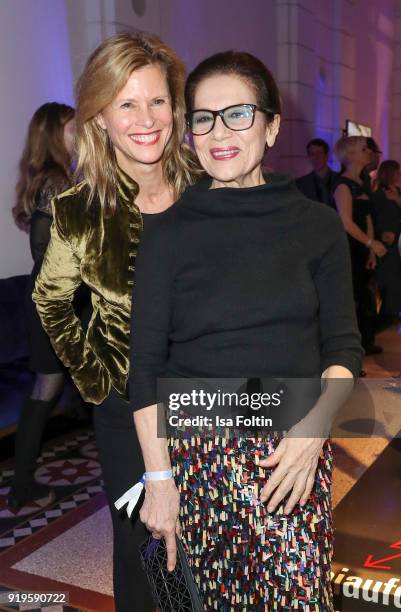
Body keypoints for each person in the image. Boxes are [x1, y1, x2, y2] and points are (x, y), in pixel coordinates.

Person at [128, 51, 363, 611]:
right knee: (208, 600)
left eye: (238, 114)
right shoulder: (167, 233)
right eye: (203, 119)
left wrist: (313, 430)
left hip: (291, 454)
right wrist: (159, 481)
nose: (218, 132)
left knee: (297, 597)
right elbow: (146, 368)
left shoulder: (318, 227)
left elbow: (343, 348)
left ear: (272, 124)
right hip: (197, 458)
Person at [32, 32, 202, 611]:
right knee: (145, 553)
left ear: (175, 110)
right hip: (128, 412)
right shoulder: (79, 210)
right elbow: (50, 301)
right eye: (126, 103)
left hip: (212, 402)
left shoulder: (208, 191)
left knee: (206, 550)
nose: (146, 118)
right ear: (100, 117)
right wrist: (97, 383)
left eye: (157, 101)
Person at [9, 102, 75, 511]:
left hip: (54, 297)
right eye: (71, 128)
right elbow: (42, 248)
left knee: (53, 386)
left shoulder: (53, 178)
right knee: (48, 387)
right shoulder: (56, 181)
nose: (78, 134)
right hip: (56, 301)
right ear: (54, 133)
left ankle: (21, 483)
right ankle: (20, 485)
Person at [333, 136, 387, 356]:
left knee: (364, 297)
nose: (369, 152)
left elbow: (367, 219)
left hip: (361, 248)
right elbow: (345, 222)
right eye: (364, 149)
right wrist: (371, 242)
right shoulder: (343, 185)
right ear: (351, 155)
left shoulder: (360, 183)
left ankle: (365, 344)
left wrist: (371, 248)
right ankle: (349, 354)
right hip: (347, 249)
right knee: (351, 302)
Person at [372, 160, 401, 323]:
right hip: (387, 244)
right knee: (388, 278)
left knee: (396, 278)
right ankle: (387, 315)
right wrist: (381, 234)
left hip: (400, 243)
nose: (400, 175)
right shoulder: (379, 194)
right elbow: (374, 217)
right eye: (398, 172)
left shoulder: (400, 192)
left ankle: (394, 312)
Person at [296, 138, 339, 207]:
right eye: (312, 154)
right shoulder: (300, 184)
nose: (316, 157)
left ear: (327, 155)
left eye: (319, 153)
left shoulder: (340, 180)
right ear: (308, 157)